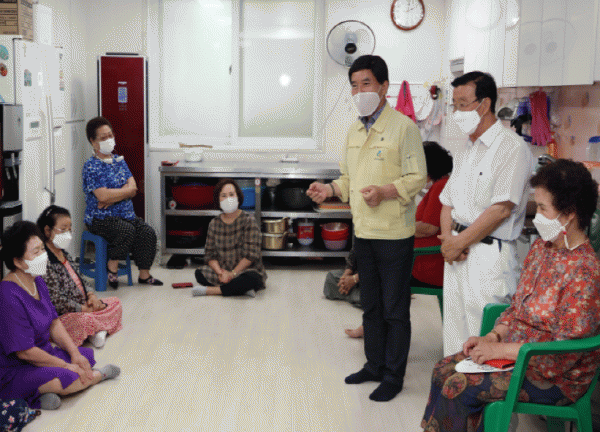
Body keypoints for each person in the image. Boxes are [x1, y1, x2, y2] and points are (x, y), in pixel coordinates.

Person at [421, 159, 600, 432]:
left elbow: (562, 355)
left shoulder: (585, 272)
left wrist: (499, 350)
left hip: (554, 377)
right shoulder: (542, 250)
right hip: (516, 354)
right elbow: (517, 308)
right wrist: (492, 337)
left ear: (569, 214)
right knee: (443, 370)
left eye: (543, 208)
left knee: (459, 386)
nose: (537, 216)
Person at [307, 55, 427, 402]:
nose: (359, 91)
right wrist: (329, 189)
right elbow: (348, 179)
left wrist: (386, 191)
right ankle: (373, 365)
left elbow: (417, 177)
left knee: (394, 309)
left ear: (384, 87)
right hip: (364, 232)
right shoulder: (354, 131)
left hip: (394, 234)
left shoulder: (404, 128)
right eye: (354, 85)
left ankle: (393, 375)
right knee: (370, 305)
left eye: (366, 84)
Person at [438, 71, 535, 356]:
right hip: (457, 254)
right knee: (454, 334)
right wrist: (448, 240)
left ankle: (480, 387)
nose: (458, 112)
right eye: (455, 105)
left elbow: (501, 209)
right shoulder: (467, 147)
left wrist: (459, 242)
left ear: (485, 104)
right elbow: (448, 201)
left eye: (463, 104)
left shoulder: (511, 147)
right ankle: (454, 383)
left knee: (482, 338)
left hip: (488, 255)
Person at [338, 141, 453, 339]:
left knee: (378, 265)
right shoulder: (438, 186)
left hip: (426, 262)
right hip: (418, 257)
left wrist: (396, 227)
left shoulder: (441, 187)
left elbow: (429, 228)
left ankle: (371, 323)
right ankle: (369, 318)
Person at [0, 221, 120, 410]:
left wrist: (74, 354)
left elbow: (54, 323)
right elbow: (25, 352)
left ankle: (40, 395)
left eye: (42, 249)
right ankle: (98, 376)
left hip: (44, 355)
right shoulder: (7, 294)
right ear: (18, 261)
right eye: (36, 252)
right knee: (66, 377)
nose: (43, 255)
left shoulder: (37, 281)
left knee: (84, 356)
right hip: (16, 368)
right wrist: (64, 366)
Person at [82, 116, 163, 289]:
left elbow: (133, 188)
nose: (109, 140)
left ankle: (144, 274)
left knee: (148, 232)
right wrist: (122, 193)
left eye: (110, 135)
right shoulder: (91, 166)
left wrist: (114, 196)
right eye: (103, 137)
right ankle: (112, 265)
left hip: (126, 215)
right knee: (126, 230)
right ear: (93, 142)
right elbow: (102, 197)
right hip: (101, 219)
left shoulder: (119, 160)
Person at [37, 205, 123, 348]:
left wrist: (91, 297)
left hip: (85, 304)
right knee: (83, 320)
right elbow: (56, 300)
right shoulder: (45, 260)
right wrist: (83, 309)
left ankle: (95, 331)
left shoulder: (63, 253)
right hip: (67, 315)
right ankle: (97, 329)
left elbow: (82, 279)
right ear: (47, 230)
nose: (68, 234)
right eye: (63, 229)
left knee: (115, 302)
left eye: (69, 229)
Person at [191, 178, 267, 297]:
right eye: (224, 196)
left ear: (238, 197)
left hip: (245, 270)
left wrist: (232, 274)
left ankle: (211, 290)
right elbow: (210, 255)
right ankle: (240, 289)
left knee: (252, 278)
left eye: (231, 194)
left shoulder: (249, 220)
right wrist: (219, 272)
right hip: (223, 270)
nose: (228, 199)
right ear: (218, 200)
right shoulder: (214, 223)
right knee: (199, 273)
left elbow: (251, 255)